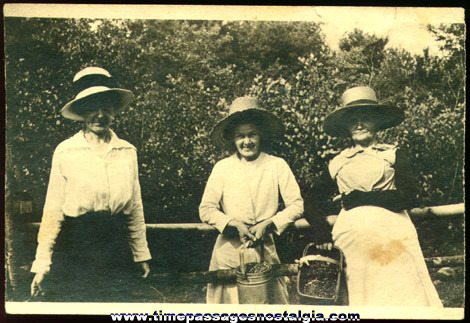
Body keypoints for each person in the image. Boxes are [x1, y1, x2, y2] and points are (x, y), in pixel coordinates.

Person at [302, 86, 442, 307]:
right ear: (347, 127)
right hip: (353, 239)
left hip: (392, 235)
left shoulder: (392, 154)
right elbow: (311, 201)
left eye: (365, 118)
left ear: (376, 122)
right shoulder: (339, 161)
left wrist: (359, 199)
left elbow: (409, 196)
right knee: (360, 294)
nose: (359, 125)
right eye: (353, 120)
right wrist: (322, 233)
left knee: (400, 291)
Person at [30, 67, 151, 302]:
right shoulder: (66, 151)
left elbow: (135, 207)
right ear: (81, 112)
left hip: (115, 246)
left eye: (106, 107)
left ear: (114, 110)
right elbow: (53, 210)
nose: (99, 115)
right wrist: (42, 263)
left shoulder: (127, 151)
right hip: (76, 246)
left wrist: (141, 254)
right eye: (92, 108)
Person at [199, 96, 303, 304]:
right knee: (230, 306)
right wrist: (233, 224)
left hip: (264, 249)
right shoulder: (223, 168)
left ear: (261, 135)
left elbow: (297, 205)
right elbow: (206, 209)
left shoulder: (276, 165)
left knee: (269, 306)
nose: (247, 141)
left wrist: (270, 223)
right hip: (229, 250)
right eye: (240, 136)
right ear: (233, 139)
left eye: (252, 134)